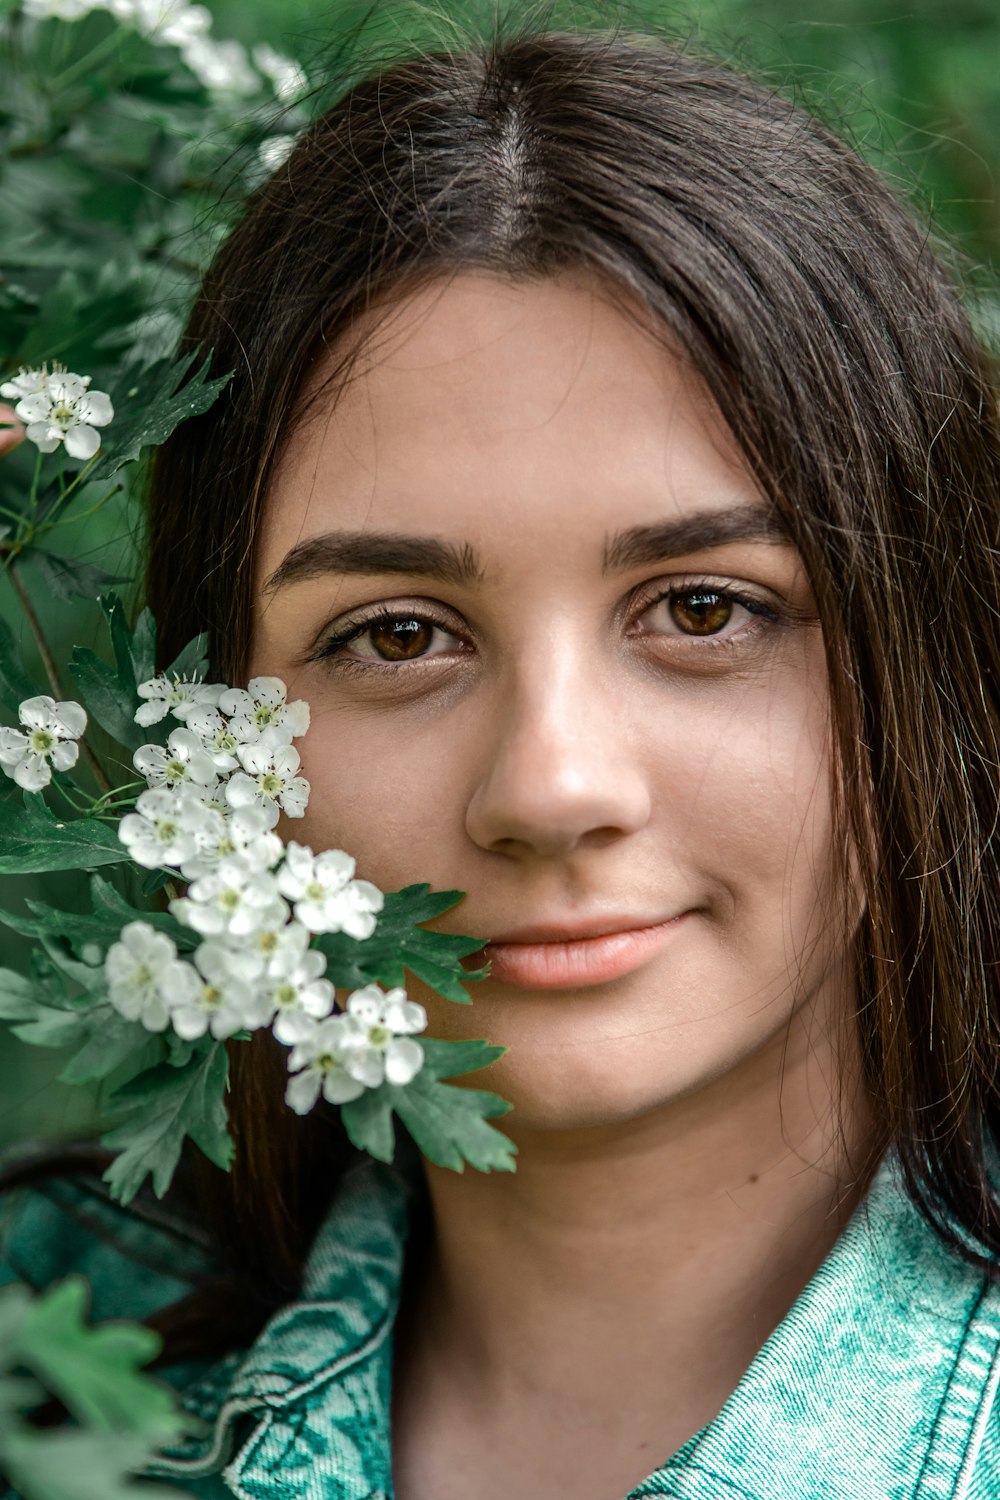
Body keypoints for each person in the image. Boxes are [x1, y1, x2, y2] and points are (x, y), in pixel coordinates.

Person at [4, 20, 1000, 1500]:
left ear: (929, 653)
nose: (550, 790)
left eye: (704, 609)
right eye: (399, 636)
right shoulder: (44, 1353)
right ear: (205, 721)